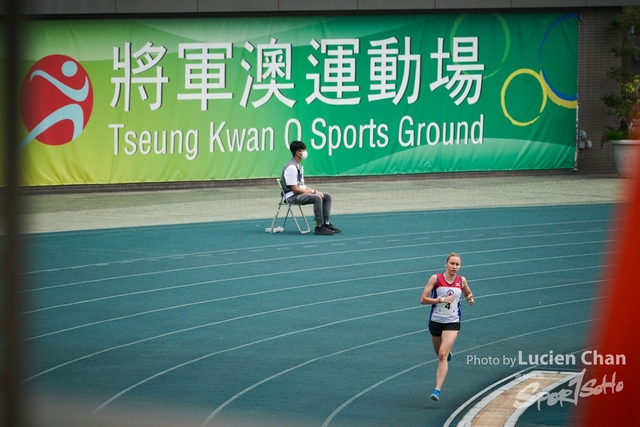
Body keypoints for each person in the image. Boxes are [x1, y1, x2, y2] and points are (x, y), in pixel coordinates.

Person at [420, 252, 474, 402]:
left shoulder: (461, 280)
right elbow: (423, 299)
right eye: (452, 263)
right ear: (446, 264)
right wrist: (441, 299)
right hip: (436, 321)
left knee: (442, 355)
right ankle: (447, 353)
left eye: (457, 264)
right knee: (440, 353)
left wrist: (469, 298)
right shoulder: (435, 279)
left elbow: (467, 292)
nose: (454, 267)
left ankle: (437, 390)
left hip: (452, 321)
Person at [281, 141, 341, 235]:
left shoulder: (299, 167)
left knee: (326, 196)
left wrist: (315, 191)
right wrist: (313, 192)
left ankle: (326, 224)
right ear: (298, 153)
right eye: (303, 150)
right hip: (291, 196)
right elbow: (295, 189)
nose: (305, 152)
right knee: (316, 198)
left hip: (299, 193)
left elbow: (302, 186)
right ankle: (319, 227)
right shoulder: (291, 167)